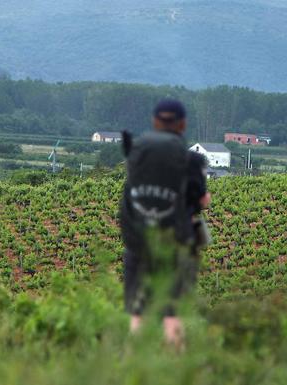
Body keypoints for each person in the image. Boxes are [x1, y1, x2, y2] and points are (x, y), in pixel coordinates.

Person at [119, 99, 211, 349]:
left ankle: (132, 370)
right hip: (175, 244)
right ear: (182, 124)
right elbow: (202, 200)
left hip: (139, 243)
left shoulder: (136, 152)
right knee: (172, 315)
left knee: (137, 314)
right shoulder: (189, 159)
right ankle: (174, 370)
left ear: (154, 122)